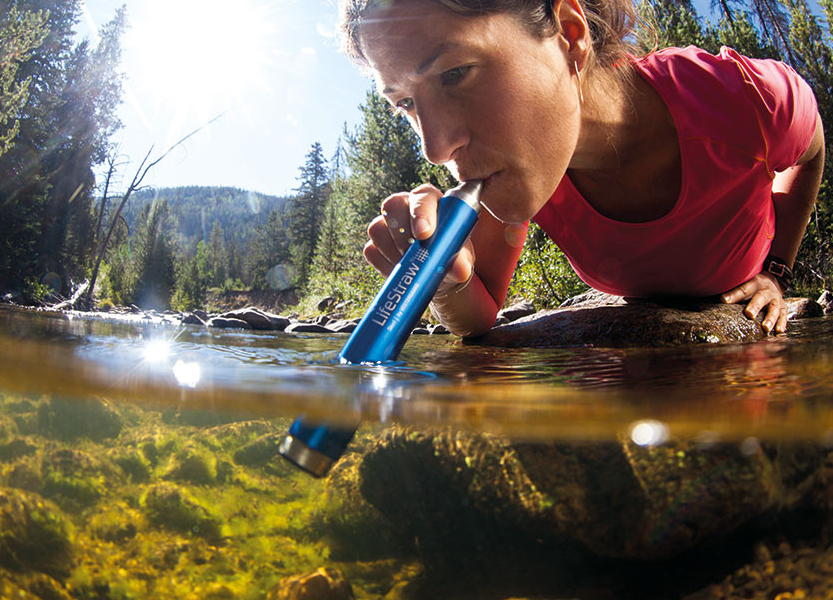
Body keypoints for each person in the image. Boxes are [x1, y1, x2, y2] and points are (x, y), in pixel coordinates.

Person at [338, 0, 825, 338]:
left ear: (570, 33)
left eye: (454, 73)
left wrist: (777, 271)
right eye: (404, 102)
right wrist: (448, 281)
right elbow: (481, 310)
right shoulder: (524, 164)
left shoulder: (743, 100)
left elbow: (813, 150)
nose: (436, 147)